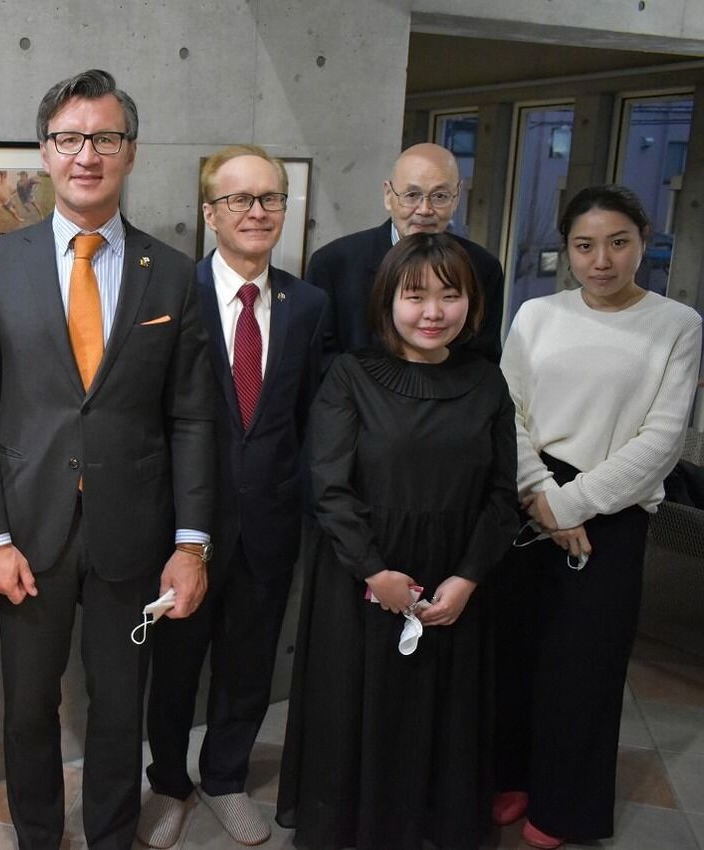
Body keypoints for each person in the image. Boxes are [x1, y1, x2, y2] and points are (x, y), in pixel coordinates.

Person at [0, 68, 216, 850]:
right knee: (28, 709)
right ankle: (38, 836)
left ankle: (110, 836)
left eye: (105, 138)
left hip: (133, 534)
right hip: (25, 534)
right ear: (45, 152)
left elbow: (192, 417)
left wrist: (191, 544)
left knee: (120, 708)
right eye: (69, 139)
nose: (87, 155)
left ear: (131, 151)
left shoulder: (173, 273)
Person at [276, 232, 519, 850]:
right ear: (388, 300)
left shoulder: (487, 382)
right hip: (361, 575)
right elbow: (329, 485)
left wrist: (467, 578)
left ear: (471, 303)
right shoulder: (351, 374)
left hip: (456, 579)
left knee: (444, 713)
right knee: (357, 706)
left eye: (449, 295)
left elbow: (502, 495)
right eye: (415, 296)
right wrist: (375, 573)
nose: (433, 312)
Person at [491, 185, 702, 849]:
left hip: (611, 511)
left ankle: (564, 806)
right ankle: (510, 775)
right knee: (515, 652)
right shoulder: (536, 314)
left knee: (584, 667)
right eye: (585, 246)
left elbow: (661, 440)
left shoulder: (677, 324)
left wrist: (570, 504)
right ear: (567, 250)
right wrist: (539, 493)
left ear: (644, 242)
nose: (601, 260)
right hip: (528, 499)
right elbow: (504, 411)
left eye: (618, 243)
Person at [140, 145, 327, 848]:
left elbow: (311, 418)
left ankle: (224, 777)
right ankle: (168, 783)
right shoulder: (169, 295)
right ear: (209, 213)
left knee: (249, 666)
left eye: (270, 198)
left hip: (270, 525)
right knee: (174, 670)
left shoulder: (310, 305)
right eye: (239, 199)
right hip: (183, 529)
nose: (257, 211)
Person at [306, 143, 504, 361]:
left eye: (440, 196)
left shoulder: (482, 267)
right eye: (412, 195)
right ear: (388, 195)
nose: (425, 209)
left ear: (456, 198)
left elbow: (483, 359)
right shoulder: (334, 263)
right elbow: (319, 361)